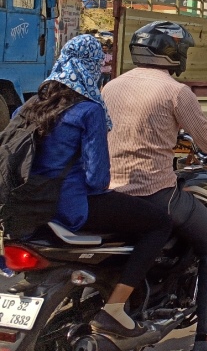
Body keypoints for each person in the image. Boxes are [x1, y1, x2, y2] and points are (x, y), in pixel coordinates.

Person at [103, 21, 207, 351]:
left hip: (108, 191)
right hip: (154, 192)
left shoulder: (111, 87)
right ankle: (206, 341)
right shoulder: (176, 92)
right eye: (184, 50)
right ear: (172, 53)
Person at [18, 35, 173, 339]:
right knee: (159, 223)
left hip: (29, 207)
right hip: (72, 209)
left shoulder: (29, 107)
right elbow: (98, 179)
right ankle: (115, 309)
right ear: (91, 66)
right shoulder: (88, 110)